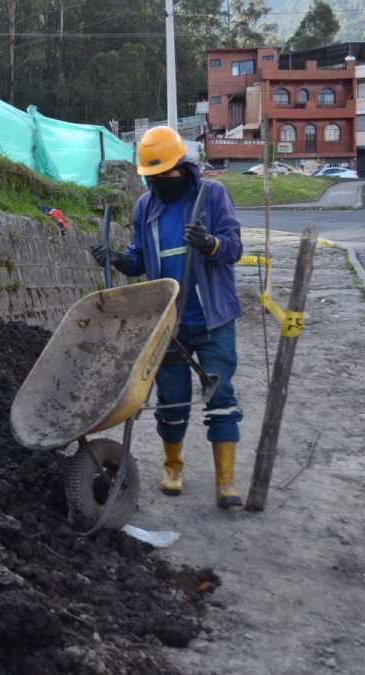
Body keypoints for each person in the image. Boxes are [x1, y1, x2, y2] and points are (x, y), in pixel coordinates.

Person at [89, 126, 245, 509]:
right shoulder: (147, 206)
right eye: (152, 177)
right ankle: (173, 467)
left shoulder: (213, 196)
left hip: (212, 318)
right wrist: (119, 260)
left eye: (166, 175)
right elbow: (139, 257)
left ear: (182, 166)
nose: (160, 182)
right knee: (172, 400)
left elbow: (234, 247)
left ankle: (226, 483)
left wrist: (211, 244)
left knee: (220, 394)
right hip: (169, 322)